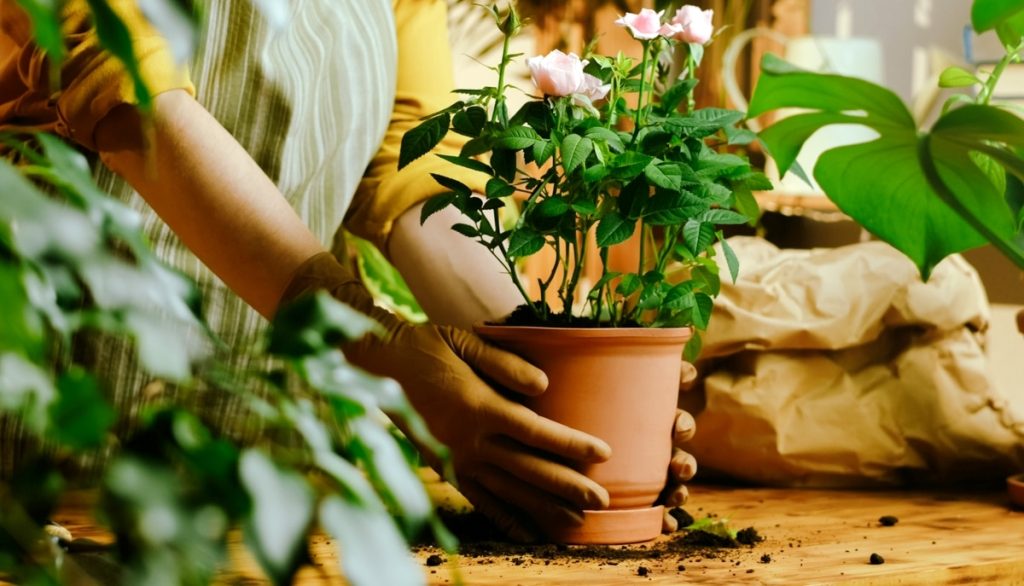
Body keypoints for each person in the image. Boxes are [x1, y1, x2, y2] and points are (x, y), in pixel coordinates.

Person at [0, 0, 698, 538]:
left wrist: (548, 375)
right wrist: (375, 341)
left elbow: (406, 178)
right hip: (48, 451)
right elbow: (130, 99)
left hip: (256, 468)